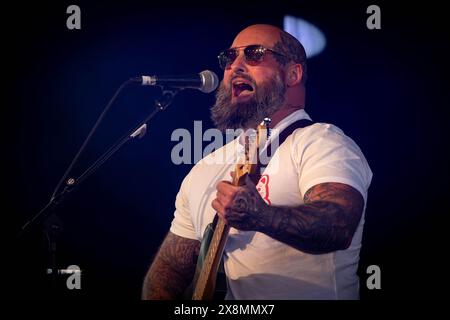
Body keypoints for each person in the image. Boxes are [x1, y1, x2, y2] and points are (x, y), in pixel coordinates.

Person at [142, 24, 372, 300]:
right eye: (230, 57)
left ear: (293, 74)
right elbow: (169, 268)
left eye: (254, 54)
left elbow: (338, 225)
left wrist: (261, 216)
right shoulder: (204, 168)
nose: (235, 66)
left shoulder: (321, 142)